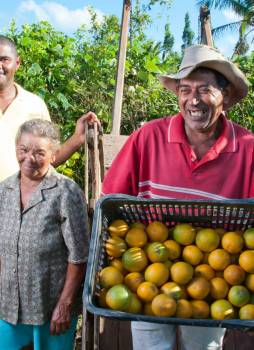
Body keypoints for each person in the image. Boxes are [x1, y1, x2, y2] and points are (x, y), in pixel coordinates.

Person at [0, 34, 97, 342]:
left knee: (36, 302)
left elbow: (46, 159)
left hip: (36, 229)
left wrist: (76, 139)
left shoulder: (33, 103)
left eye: (4, 59)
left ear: (17, 64)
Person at [102, 44, 254, 349]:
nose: (193, 100)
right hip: (145, 280)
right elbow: (111, 201)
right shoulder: (148, 138)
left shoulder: (248, 148)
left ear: (224, 96)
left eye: (204, 89)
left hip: (216, 286)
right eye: (185, 90)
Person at [0, 119, 89, 350]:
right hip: (10, 303)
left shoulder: (66, 191)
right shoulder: (4, 190)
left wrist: (64, 305)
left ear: (54, 155)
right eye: (23, 150)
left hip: (50, 307)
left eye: (39, 153)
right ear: (16, 148)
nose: (29, 158)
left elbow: (79, 255)